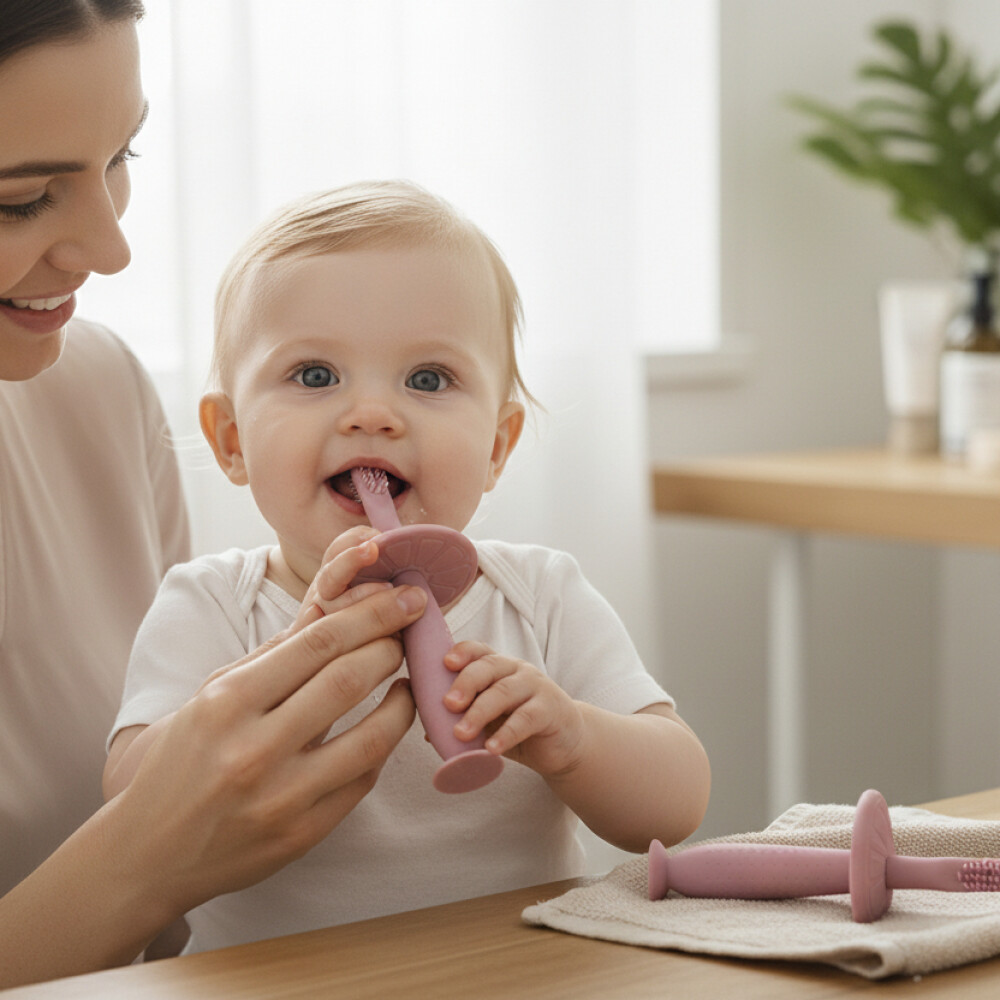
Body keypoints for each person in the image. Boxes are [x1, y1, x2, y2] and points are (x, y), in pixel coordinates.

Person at [104, 179, 712, 953]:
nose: (373, 414)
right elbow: (129, 807)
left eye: (428, 380)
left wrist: (576, 739)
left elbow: (675, 804)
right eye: (316, 375)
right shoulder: (211, 607)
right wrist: (277, 684)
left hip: (521, 972)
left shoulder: (542, 596)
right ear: (230, 440)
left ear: (496, 447)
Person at [0, 4, 429, 987]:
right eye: (19, 200)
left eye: (121, 158)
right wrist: (145, 857)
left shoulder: (92, 390)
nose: (111, 251)